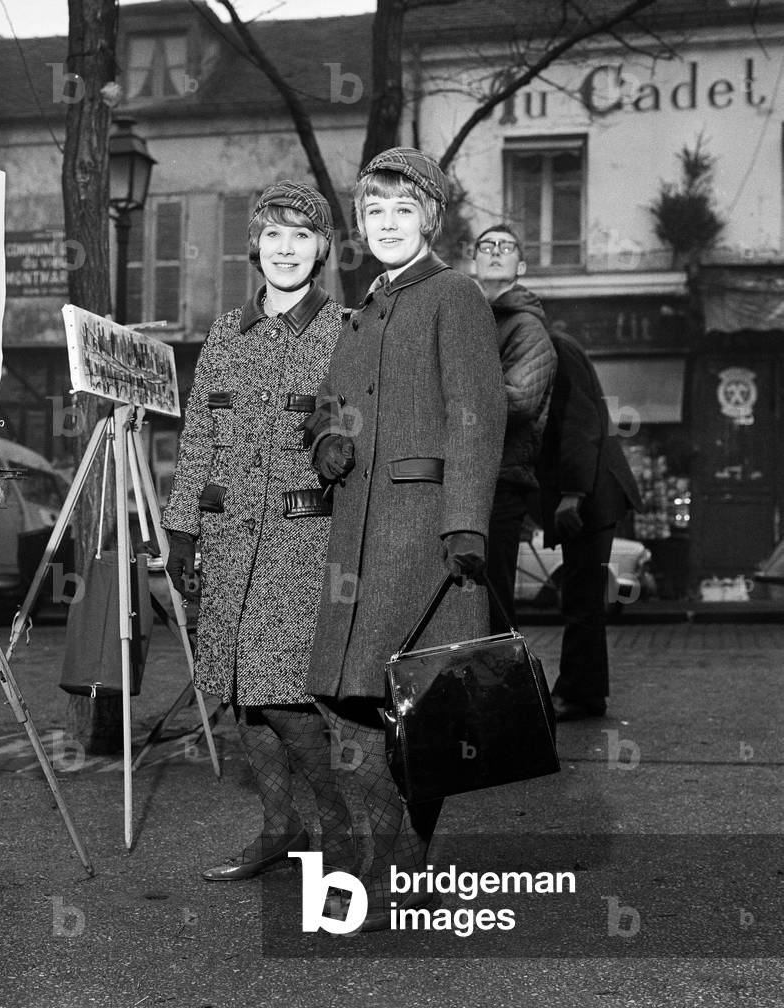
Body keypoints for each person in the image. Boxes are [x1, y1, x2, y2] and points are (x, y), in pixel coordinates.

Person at [305, 148, 505, 932]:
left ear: (430, 217)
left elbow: (476, 414)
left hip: (421, 533)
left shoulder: (453, 293)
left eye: (400, 210)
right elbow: (326, 403)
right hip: (354, 530)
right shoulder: (363, 310)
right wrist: (324, 438)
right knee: (348, 697)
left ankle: (398, 866)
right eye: (372, 213)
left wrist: (465, 522)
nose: (385, 225)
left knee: (412, 705)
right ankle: (376, 852)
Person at [162, 181, 354, 881]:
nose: (285, 248)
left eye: (301, 236)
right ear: (254, 245)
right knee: (240, 692)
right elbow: (197, 441)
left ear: (323, 249)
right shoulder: (224, 333)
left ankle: (340, 827)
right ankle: (279, 826)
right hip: (229, 539)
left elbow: (355, 427)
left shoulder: (347, 330)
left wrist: (337, 440)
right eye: (273, 235)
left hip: (301, 547)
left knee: (284, 695)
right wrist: (182, 530)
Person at [532, 330, 643, 721]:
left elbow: (581, 424)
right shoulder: (553, 347)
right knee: (582, 598)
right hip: (590, 491)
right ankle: (585, 694)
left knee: (581, 600)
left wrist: (573, 493)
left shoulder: (556, 349)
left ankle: (580, 695)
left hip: (591, 493)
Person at [472, 224, 556, 634]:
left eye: (505, 247)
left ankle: (505, 689)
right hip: (473, 477)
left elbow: (519, 402)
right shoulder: (472, 318)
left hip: (502, 480)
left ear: (520, 265)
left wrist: (454, 393)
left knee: (494, 595)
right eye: (486, 246)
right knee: (470, 594)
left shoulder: (526, 326)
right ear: (474, 260)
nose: (494, 251)